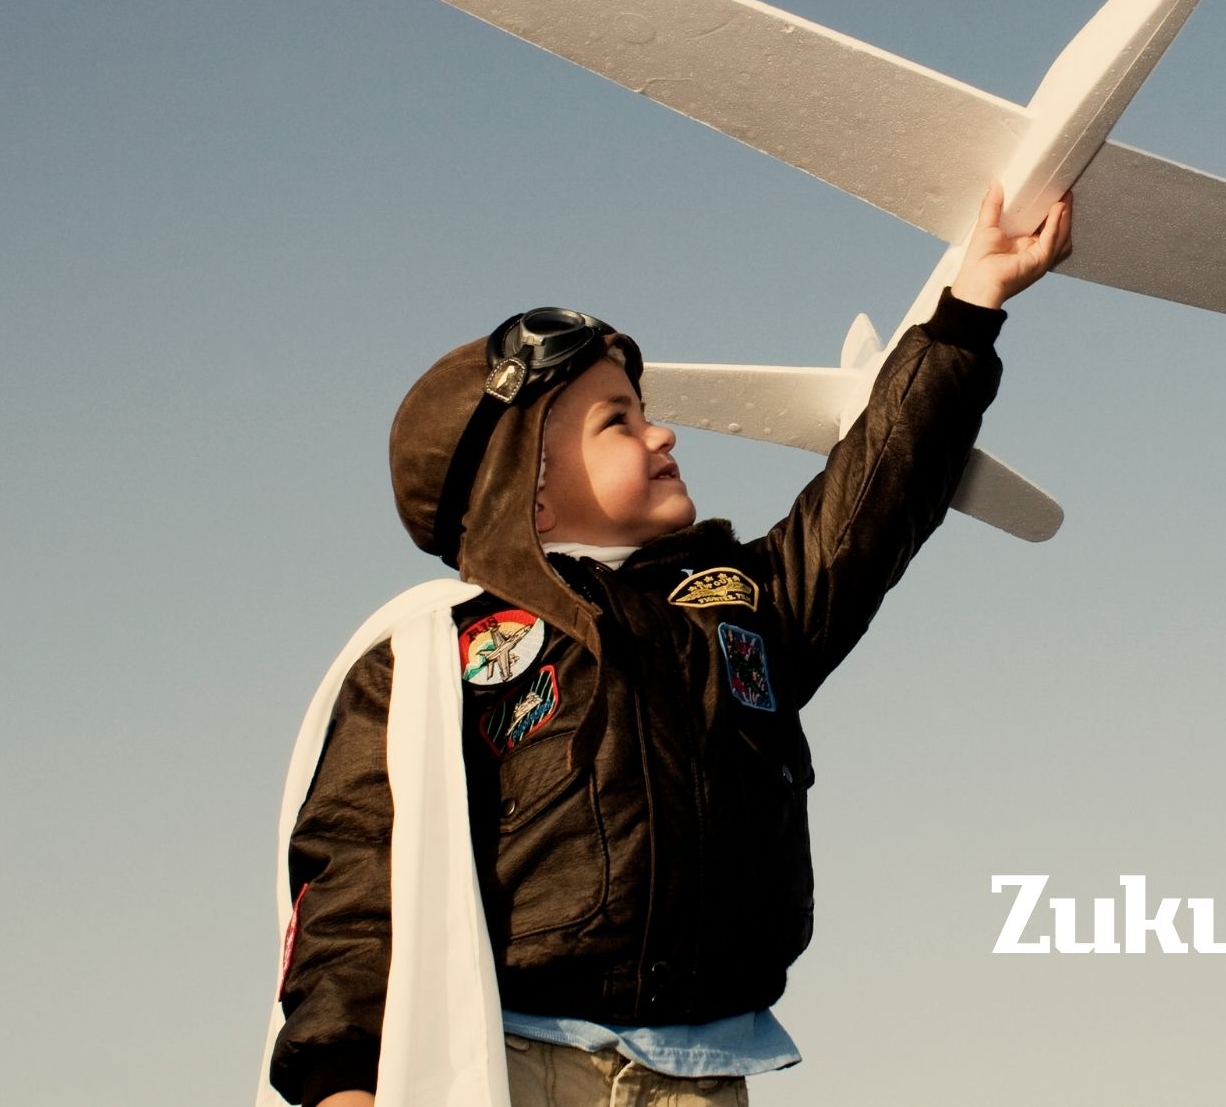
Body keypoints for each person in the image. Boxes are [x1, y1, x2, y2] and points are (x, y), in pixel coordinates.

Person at [263, 183, 1071, 1106]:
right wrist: (344, 1081)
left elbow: (871, 504)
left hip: (699, 1078)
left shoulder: (739, 609)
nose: (662, 431)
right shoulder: (431, 654)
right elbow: (356, 867)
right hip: (513, 1063)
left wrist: (967, 311)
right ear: (525, 490)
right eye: (618, 420)